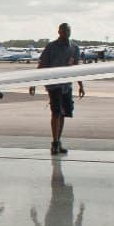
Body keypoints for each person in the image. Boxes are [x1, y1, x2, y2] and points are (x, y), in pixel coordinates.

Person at [31, 22, 85, 155]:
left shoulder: (74, 48)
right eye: (64, 31)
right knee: (56, 112)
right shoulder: (51, 47)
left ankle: (58, 141)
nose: (66, 33)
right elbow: (42, 65)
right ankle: (55, 142)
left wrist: (80, 85)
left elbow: (76, 68)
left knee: (63, 113)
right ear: (59, 32)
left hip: (66, 85)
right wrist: (33, 83)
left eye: (68, 31)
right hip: (54, 85)